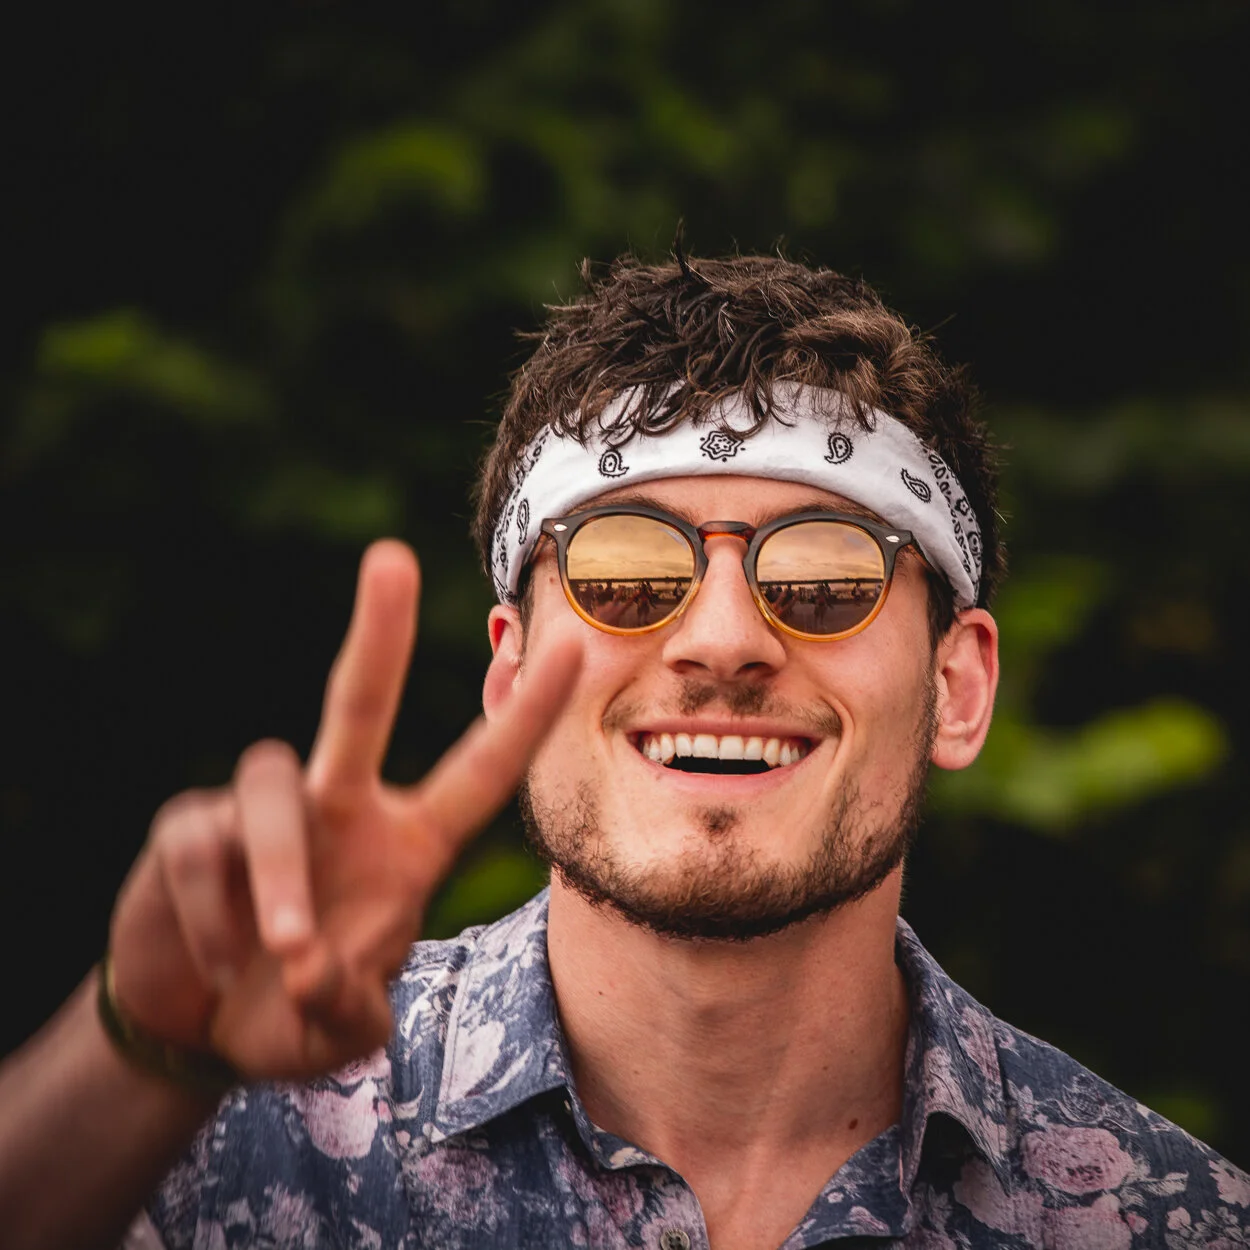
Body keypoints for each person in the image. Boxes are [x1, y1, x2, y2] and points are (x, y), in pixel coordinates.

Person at [1, 251, 1246, 1250]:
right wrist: (136, 1049)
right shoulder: (208, 1133)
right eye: (624, 572)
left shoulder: (1164, 1219)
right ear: (508, 675)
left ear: (955, 684)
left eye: (823, 576)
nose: (721, 639)